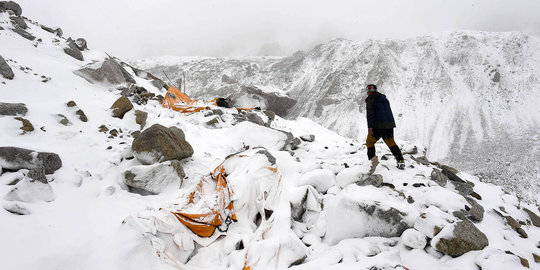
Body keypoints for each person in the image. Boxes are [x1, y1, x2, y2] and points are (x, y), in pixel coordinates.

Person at [364, 84, 405, 169]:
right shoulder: (384, 99)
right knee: (391, 142)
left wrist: (370, 126)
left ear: (369, 91)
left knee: (370, 142)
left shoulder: (370, 99)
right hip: (389, 125)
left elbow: (370, 114)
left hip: (378, 125)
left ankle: (371, 163)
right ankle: (401, 161)